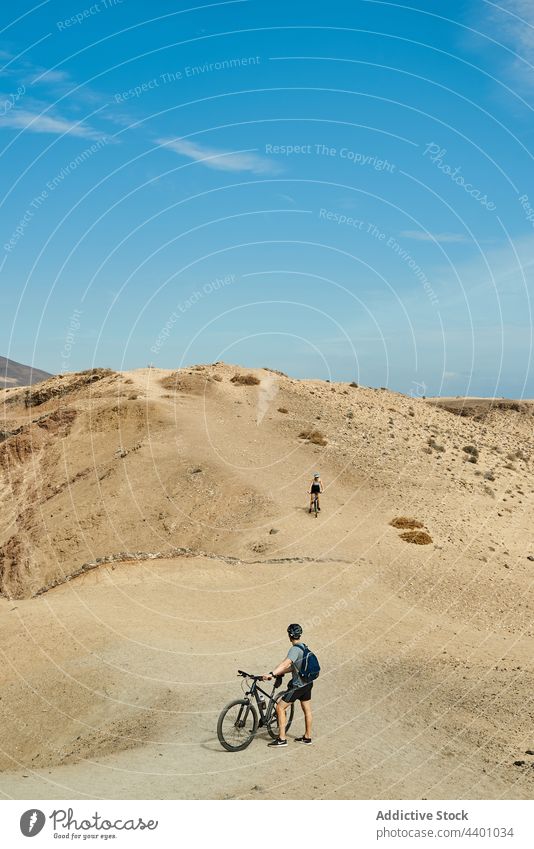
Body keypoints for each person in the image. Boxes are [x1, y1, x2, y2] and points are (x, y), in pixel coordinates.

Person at [262, 623, 313, 747]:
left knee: (280, 707)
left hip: (298, 686)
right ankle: (307, 737)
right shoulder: (304, 647)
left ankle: (282, 739)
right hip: (308, 683)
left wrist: (272, 674)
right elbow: (293, 668)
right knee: (307, 709)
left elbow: (286, 664)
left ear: (290, 636)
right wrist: (278, 673)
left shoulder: (294, 649)